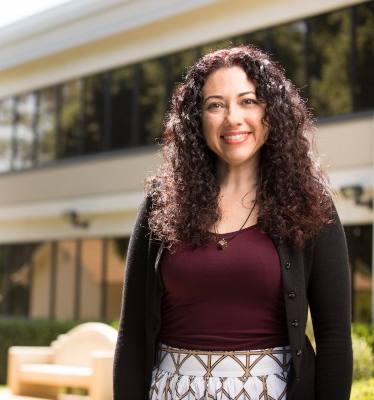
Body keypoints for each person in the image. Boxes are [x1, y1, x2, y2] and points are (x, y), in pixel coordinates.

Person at [113, 46, 353, 400]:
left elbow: (334, 337)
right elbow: (132, 332)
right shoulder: (160, 204)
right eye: (215, 105)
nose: (232, 118)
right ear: (197, 119)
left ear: (271, 111)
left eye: (248, 101)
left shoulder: (311, 204)